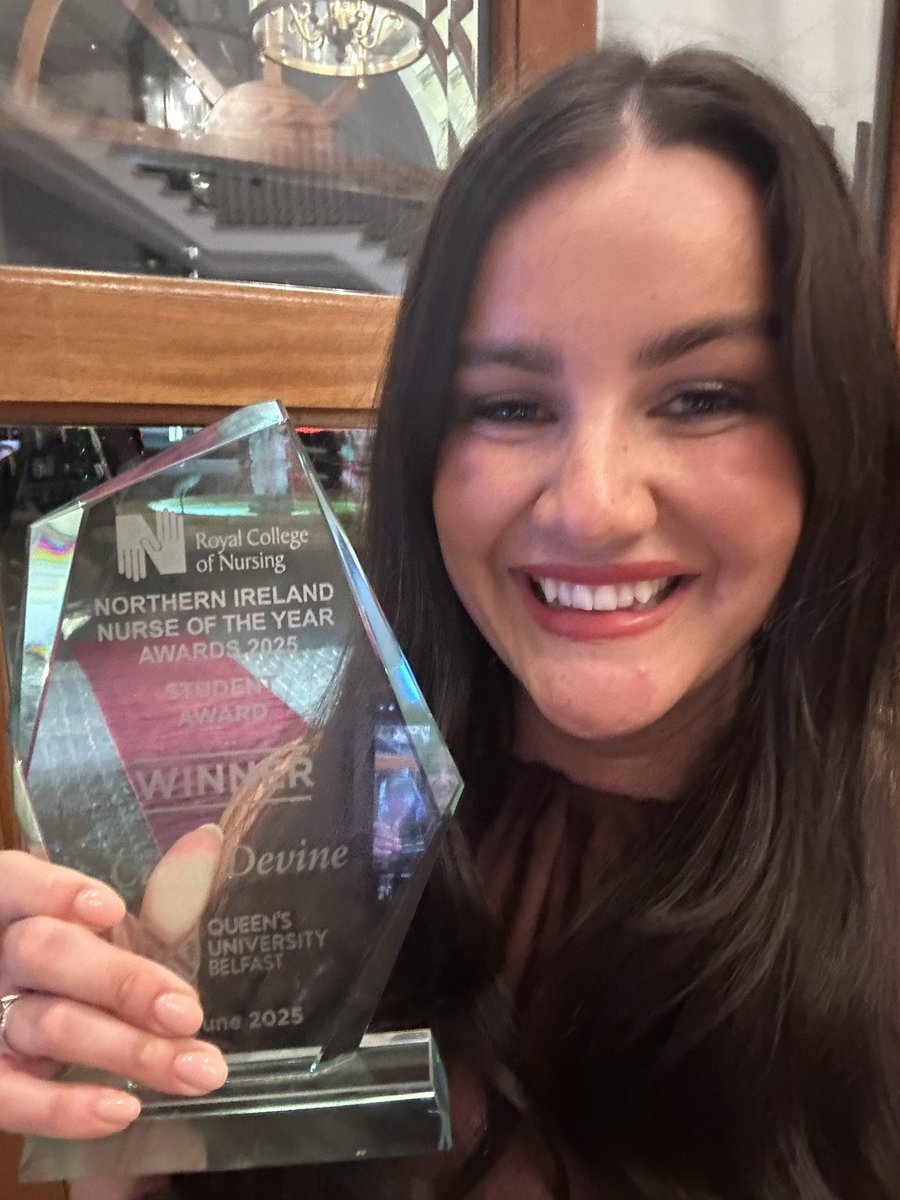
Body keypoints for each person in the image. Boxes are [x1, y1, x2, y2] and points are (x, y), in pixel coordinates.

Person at [3, 43, 900, 1199]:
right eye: (511, 406)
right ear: (428, 444)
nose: (593, 504)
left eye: (702, 397)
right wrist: (118, 1117)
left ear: (829, 429)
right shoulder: (282, 834)